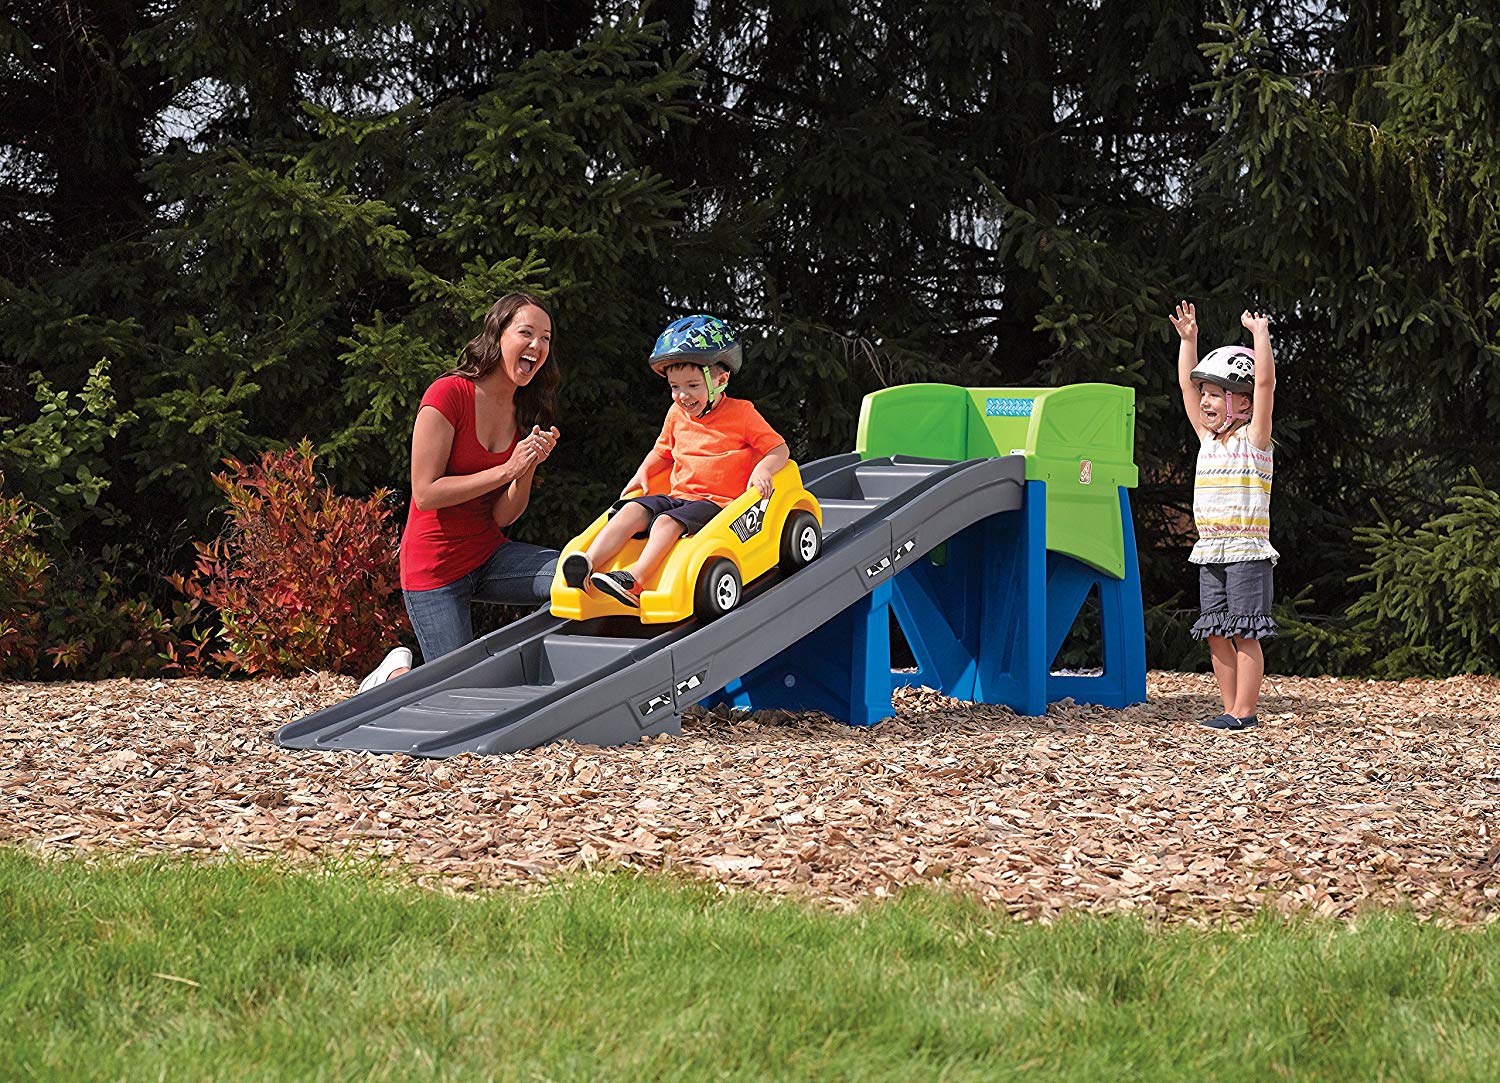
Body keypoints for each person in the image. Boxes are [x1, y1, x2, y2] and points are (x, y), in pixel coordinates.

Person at [359, 293, 562, 690]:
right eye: (526, 333)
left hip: (488, 554)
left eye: (546, 338)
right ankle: (396, 675)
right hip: (435, 569)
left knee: (575, 574)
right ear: (497, 335)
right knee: (458, 695)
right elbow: (426, 492)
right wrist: (506, 468)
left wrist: (526, 468)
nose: (537, 346)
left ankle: (533, 679)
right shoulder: (448, 394)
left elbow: (503, 516)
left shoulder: (524, 411)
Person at [559, 314, 788, 608]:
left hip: (715, 506)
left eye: (692, 385)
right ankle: (588, 563)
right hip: (677, 496)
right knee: (631, 510)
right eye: (675, 387)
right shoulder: (676, 414)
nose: (682, 396)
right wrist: (643, 473)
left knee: (666, 522)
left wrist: (762, 468)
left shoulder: (742, 413)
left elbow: (778, 449)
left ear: (721, 379)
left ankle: (635, 579)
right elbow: (662, 452)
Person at [1169, 302, 1278, 730]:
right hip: (1210, 547)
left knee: (1245, 630)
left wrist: (1260, 336)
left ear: (1243, 402)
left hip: (1247, 549)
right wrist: (1188, 341)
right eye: (1205, 395)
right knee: (1216, 628)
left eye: (1215, 394)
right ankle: (1229, 707)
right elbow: (1183, 385)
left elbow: (1266, 384)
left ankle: (1245, 712)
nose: (1205, 402)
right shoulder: (1206, 439)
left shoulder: (1255, 439)